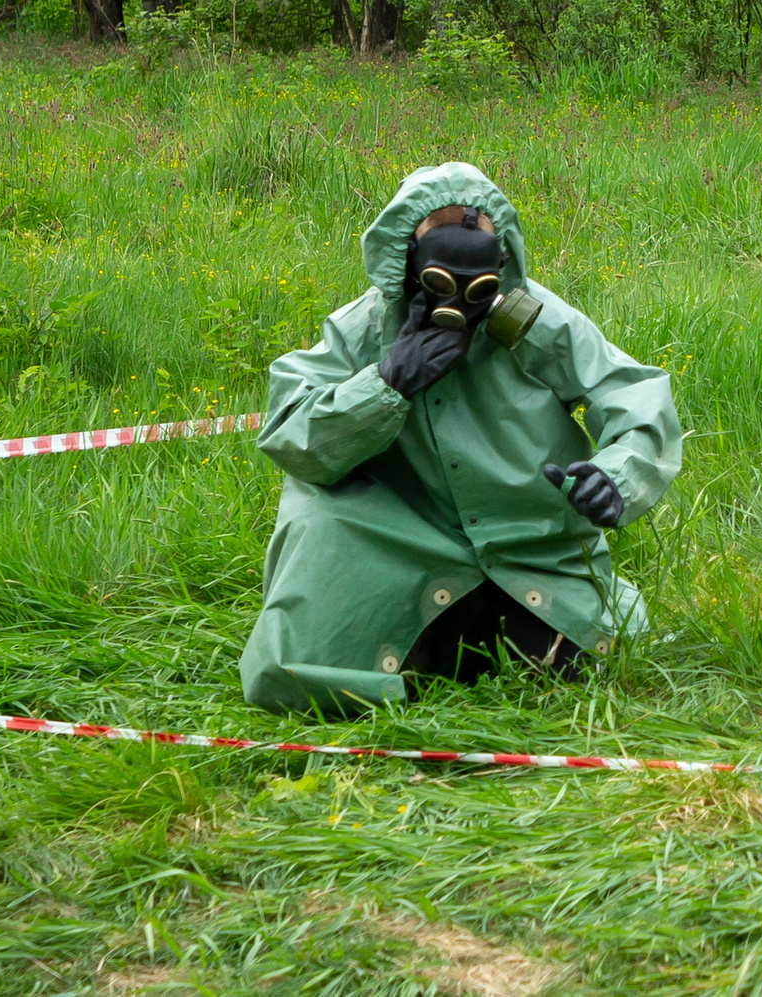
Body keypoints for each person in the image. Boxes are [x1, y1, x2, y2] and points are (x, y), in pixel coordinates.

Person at [240, 162, 681, 715]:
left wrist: (615, 476)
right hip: (392, 543)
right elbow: (288, 433)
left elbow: (635, 396)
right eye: (439, 283)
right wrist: (385, 382)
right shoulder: (365, 330)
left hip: (525, 540)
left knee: (582, 664)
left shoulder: (538, 325)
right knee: (305, 677)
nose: (459, 304)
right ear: (407, 269)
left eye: (478, 287)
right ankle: (413, 651)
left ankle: (465, 645)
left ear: (502, 274)